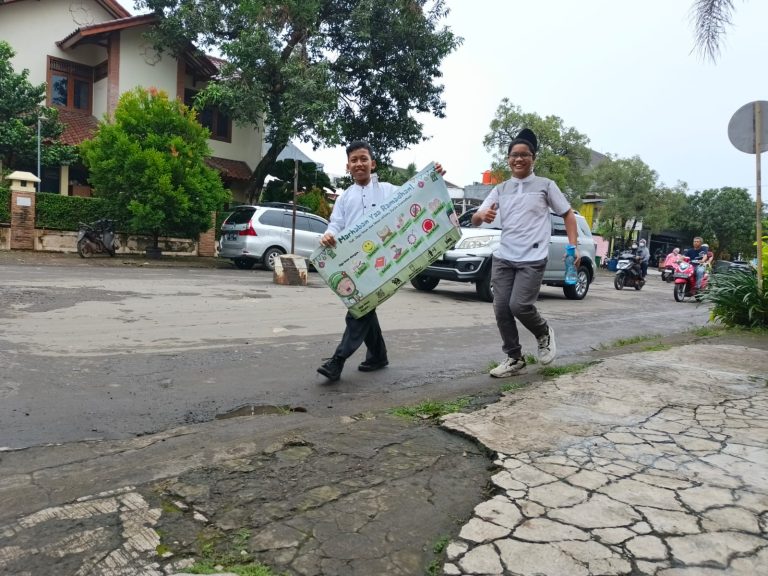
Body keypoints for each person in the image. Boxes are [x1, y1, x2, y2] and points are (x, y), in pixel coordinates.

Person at [316, 140, 444, 382]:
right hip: (356, 264)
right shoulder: (344, 198)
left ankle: (338, 361)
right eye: (354, 160)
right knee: (365, 308)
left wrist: (433, 176)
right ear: (347, 167)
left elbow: (414, 193)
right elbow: (335, 225)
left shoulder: (388, 190)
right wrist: (329, 235)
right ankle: (378, 356)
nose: (359, 164)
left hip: (385, 260)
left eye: (363, 158)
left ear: (372, 163)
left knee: (358, 308)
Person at [472, 128, 579, 378]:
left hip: (532, 257)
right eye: (514, 155)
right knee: (501, 309)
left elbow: (568, 214)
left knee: (519, 305)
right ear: (508, 159)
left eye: (524, 155)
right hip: (505, 256)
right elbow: (477, 218)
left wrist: (572, 248)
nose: (518, 159)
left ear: (534, 158)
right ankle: (514, 358)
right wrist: (481, 215)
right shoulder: (501, 189)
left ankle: (543, 332)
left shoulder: (545, 186)